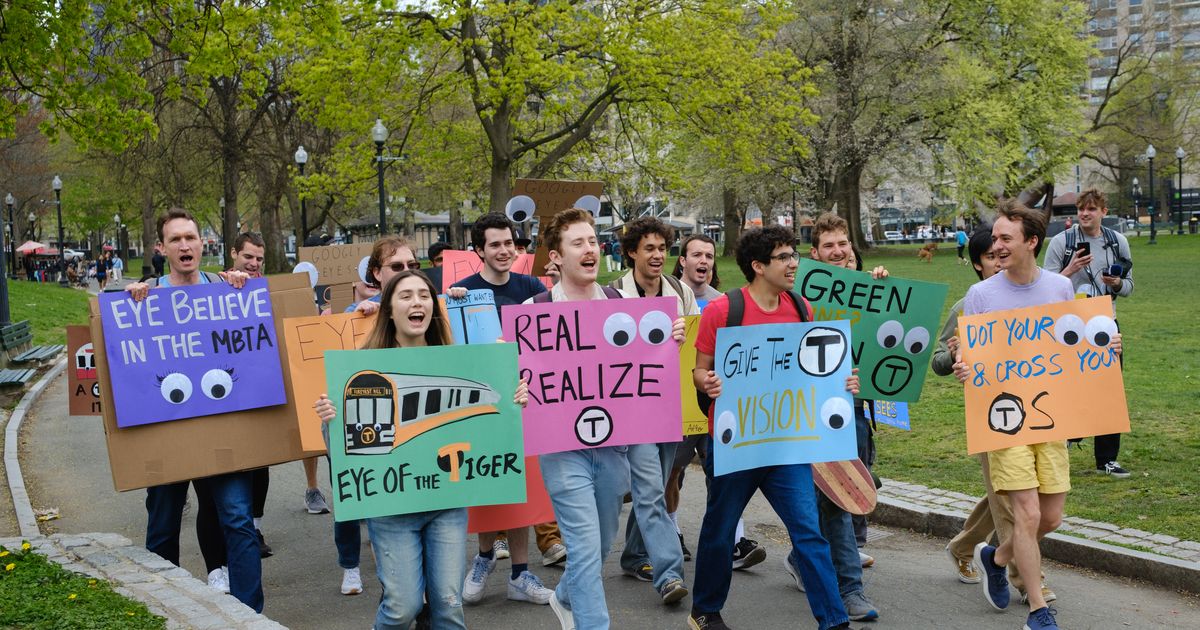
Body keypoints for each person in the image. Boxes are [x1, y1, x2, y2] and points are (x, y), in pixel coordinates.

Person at [315, 270, 531, 629]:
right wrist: (329, 421)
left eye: (424, 295)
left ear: (434, 306)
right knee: (402, 607)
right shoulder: (361, 365)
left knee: (448, 605)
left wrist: (514, 403)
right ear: (388, 310)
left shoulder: (460, 359)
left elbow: (490, 429)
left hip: (445, 504)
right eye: (406, 296)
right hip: (390, 506)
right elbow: (342, 452)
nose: (417, 302)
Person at [953, 200, 1121, 630]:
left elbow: (1075, 350)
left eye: (1006, 238)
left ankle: (996, 555)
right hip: (1004, 417)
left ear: (1031, 242)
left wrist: (1105, 347)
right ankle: (1037, 610)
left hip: (1051, 416)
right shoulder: (980, 295)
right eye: (995, 239)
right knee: (1026, 515)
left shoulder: (1059, 289)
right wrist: (964, 367)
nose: (998, 246)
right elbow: (970, 359)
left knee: (1050, 518)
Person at [689, 225, 858, 630]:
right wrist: (707, 382)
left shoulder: (802, 309)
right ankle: (705, 611)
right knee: (720, 529)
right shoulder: (723, 311)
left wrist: (841, 381)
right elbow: (700, 369)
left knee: (809, 533)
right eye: (784, 257)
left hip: (785, 445)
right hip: (735, 443)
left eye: (794, 255)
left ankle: (833, 620)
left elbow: (810, 373)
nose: (793, 263)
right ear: (758, 266)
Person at [524, 207, 684, 630]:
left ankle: (564, 596)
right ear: (556, 257)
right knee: (581, 545)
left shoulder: (621, 305)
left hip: (615, 449)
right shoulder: (534, 310)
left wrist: (669, 341)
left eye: (593, 241)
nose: (590, 249)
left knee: (596, 547)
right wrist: (516, 386)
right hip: (563, 451)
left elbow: (641, 369)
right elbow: (513, 371)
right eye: (578, 243)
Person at [124, 209, 263, 613]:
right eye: (176, 240)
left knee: (238, 519)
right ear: (162, 248)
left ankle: (249, 615)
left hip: (223, 430)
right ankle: (167, 612)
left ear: (203, 243)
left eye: (191, 237)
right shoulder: (145, 296)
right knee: (163, 525)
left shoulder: (227, 286)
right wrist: (129, 305)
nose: (185, 245)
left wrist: (241, 288)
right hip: (167, 433)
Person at [934, 228, 1054, 604]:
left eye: (1001, 252)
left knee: (1012, 495)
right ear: (977, 264)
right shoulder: (967, 305)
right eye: (989, 256)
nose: (998, 259)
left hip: (1039, 409)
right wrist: (956, 354)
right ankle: (1024, 580)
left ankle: (966, 546)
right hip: (994, 411)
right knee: (1009, 503)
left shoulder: (1036, 296)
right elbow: (937, 361)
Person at [449, 213, 557, 607]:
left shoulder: (531, 287)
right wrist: (452, 302)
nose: (504, 250)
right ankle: (483, 557)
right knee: (486, 483)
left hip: (523, 402)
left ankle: (520, 573)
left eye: (509, 243)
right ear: (478, 250)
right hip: (479, 406)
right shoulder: (461, 291)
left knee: (519, 486)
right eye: (494, 244)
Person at [802, 212, 882, 622]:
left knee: (844, 493)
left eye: (843, 244)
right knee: (831, 497)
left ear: (852, 248)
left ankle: (818, 566)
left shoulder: (870, 288)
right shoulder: (799, 297)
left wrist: (881, 289)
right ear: (814, 254)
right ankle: (846, 586)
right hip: (807, 411)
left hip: (852, 407)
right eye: (828, 246)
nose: (837, 251)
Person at [608, 217, 693, 604]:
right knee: (649, 491)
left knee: (656, 486)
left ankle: (632, 555)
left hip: (671, 407)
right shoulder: (611, 296)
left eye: (663, 248)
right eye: (649, 249)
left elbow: (696, 342)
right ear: (631, 252)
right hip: (633, 409)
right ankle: (669, 574)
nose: (658, 255)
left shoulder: (680, 290)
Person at [334, 235, 422, 596]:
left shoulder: (427, 306)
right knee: (352, 489)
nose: (405, 273)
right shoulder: (354, 317)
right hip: (366, 420)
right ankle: (351, 565)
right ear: (376, 273)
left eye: (411, 267)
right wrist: (363, 313)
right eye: (396, 267)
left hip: (411, 423)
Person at [1043, 188, 1135, 478]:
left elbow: (1130, 286)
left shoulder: (1116, 242)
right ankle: (1062, 444)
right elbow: (1044, 287)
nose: (1085, 214)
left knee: (1108, 392)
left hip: (1105, 324)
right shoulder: (1061, 242)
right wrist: (1069, 270)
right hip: (1068, 325)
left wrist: (1117, 283)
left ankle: (1106, 459)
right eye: (1081, 209)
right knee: (1067, 387)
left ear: (1103, 213)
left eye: (1092, 209)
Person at [673, 234, 722, 302]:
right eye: (697, 255)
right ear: (683, 261)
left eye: (709, 256)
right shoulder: (667, 296)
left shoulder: (719, 301)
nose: (704, 261)